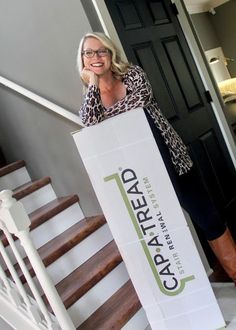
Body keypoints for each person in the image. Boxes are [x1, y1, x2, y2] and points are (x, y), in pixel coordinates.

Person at [77, 32, 236, 284]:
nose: (96, 57)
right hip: (140, 174)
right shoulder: (92, 94)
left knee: (209, 218)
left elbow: (139, 102)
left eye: (101, 51)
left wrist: (107, 117)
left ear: (110, 53)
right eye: (89, 53)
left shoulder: (133, 74)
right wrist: (94, 85)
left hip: (174, 159)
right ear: (83, 60)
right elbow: (88, 123)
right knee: (165, 231)